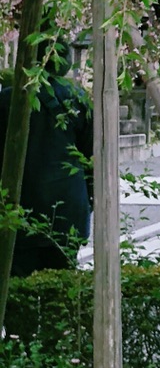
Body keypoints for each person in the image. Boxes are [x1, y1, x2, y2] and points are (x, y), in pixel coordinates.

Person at [1, 43, 93, 274]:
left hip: (19, 209)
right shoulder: (78, 100)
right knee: (61, 289)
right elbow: (91, 160)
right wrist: (88, 201)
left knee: (19, 289)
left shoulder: (7, 99)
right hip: (66, 211)